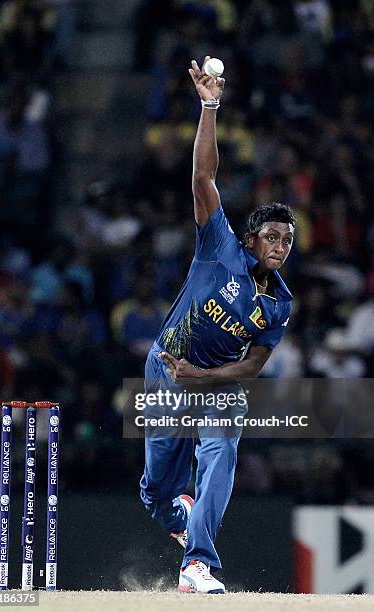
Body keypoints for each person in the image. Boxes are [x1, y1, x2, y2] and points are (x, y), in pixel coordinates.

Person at [139, 56, 295, 594]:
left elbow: (251, 366)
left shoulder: (280, 305)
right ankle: (184, 518)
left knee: (222, 448)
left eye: (287, 241)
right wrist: (209, 105)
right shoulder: (219, 244)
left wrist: (202, 379)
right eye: (271, 236)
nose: (279, 246)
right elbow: (204, 176)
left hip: (212, 386)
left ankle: (197, 563)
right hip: (164, 370)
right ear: (250, 240)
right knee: (156, 494)